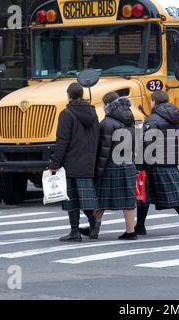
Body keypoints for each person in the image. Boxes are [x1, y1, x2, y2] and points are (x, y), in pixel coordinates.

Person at [134, 91, 179, 237]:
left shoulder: (153, 120)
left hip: (154, 161)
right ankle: (140, 226)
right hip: (168, 159)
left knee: (148, 194)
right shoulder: (172, 117)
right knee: (154, 194)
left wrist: (140, 162)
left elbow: (147, 143)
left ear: (154, 101)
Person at [80, 93, 138, 240]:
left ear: (107, 105)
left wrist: (97, 170)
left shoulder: (107, 123)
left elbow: (103, 150)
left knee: (100, 198)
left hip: (111, 165)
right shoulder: (130, 119)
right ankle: (131, 231)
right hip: (128, 163)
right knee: (128, 199)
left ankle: (94, 229)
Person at [49, 82, 100, 242]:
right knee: (86, 198)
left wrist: (55, 163)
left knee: (71, 199)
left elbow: (62, 141)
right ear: (82, 94)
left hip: (71, 162)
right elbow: (97, 137)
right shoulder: (93, 113)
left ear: (69, 95)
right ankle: (93, 224)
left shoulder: (66, 114)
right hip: (88, 162)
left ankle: (74, 232)